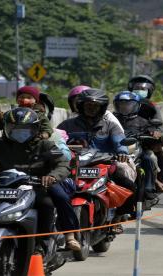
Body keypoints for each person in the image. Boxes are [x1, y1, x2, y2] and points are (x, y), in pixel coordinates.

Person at [0, 107, 81, 252]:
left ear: (35, 128)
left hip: (40, 184)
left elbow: (62, 164)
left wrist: (52, 177)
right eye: (14, 128)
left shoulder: (46, 145)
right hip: (8, 186)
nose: (19, 132)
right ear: (6, 129)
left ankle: (59, 238)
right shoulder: (0, 147)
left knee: (52, 200)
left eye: (25, 128)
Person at [57, 89, 136, 228]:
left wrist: (122, 151)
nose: (91, 109)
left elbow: (119, 140)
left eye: (95, 106)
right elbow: (56, 142)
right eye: (88, 106)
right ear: (81, 106)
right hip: (75, 164)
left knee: (128, 183)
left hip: (104, 163)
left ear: (102, 108)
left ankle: (119, 216)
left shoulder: (110, 124)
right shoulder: (66, 125)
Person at [113, 91, 163, 198]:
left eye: (128, 104)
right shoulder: (112, 119)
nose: (124, 107)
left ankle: (149, 187)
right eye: (121, 104)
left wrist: (153, 133)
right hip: (115, 150)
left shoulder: (143, 121)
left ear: (137, 105)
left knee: (148, 159)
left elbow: (152, 130)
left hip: (136, 150)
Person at [127, 75, 163, 186]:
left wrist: (156, 132)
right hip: (126, 138)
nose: (139, 91)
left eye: (143, 89)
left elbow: (159, 124)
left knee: (155, 152)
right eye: (137, 88)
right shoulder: (124, 104)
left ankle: (161, 176)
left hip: (145, 136)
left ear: (149, 91)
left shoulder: (151, 106)